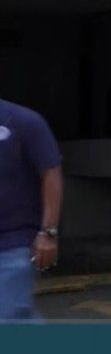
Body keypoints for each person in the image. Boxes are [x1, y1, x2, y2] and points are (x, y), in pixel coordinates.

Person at [0, 99, 62, 320]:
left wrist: (48, 232)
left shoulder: (23, 121)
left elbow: (51, 172)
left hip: (12, 245)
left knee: (8, 318)